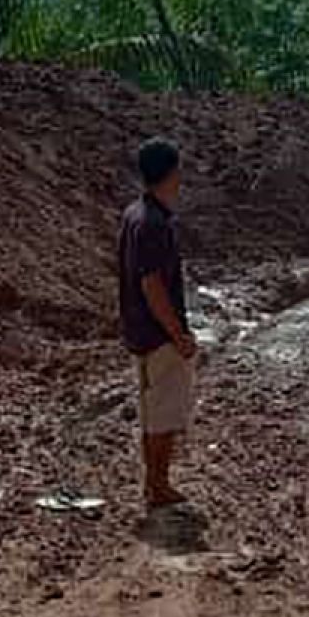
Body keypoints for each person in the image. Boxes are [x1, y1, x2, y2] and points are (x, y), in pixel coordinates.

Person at [118, 138, 197, 509]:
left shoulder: (135, 214)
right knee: (163, 414)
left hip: (139, 330)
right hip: (157, 333)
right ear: (171, 173)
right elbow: (152, 284)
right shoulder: (154, 223)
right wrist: (177, 334)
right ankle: (158, 485)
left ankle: (153, 482)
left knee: (153, 411)